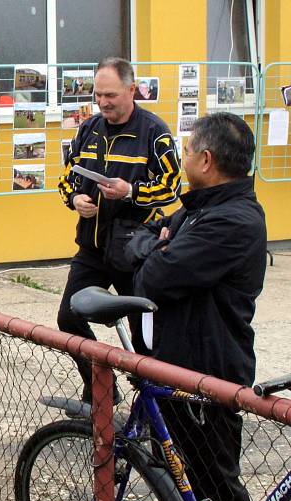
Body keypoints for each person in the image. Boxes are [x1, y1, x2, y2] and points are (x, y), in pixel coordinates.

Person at [127, 113, 264, 501]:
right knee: (179, 486)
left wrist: (158, 248)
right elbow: (136, 239)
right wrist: (159, 243)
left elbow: (152, 279)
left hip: (209, 375)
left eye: (186, 151)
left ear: (205, 160)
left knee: (218, 487)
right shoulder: (199, 206)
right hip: (172, 366)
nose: (182, 158)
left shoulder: (233, 220)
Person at [56, 58, 181, 408]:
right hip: (92, 248)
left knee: (146, 341)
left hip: (133, 251)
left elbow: (172, 187)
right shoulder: (89, 128)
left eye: (110, 94)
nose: (103, 102)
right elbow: (67, 178)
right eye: (98, 95)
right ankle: (100, 386)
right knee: (68, 319)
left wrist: (131, 192)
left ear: (131, 89)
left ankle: (155, 408)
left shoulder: (155, 132)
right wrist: (75, 198)